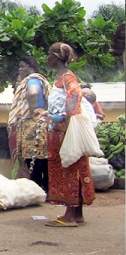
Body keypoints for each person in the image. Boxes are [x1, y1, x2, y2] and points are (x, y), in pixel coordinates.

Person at [42, 42, 95, 227]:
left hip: (64, 132)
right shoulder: (62, 79)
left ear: (56, 57)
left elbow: (75, 95)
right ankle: (77, 213)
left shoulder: (67, 78)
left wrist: (62, 117)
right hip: (64, 130)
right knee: (76, 168)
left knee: (68, 169)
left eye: (49, 53)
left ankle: (69, 216)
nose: (46, 57)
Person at [7, 56, 52, 192]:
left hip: (32, 124)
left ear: (30, 66)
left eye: (22, 66)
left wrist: (32, 111)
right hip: (40, 125)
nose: (20, 69)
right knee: (40, 160)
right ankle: (45, 191)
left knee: (35, 161)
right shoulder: (35, 80)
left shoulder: (33, 80)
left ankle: (38, 190)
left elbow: (33, 93)